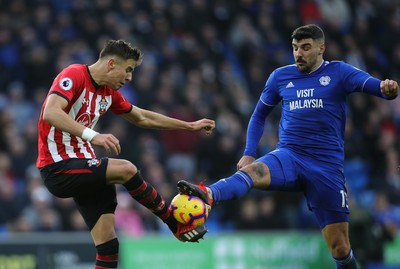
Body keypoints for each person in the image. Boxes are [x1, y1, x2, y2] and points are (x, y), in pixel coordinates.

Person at [177, 24, 399, 269]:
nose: (298, 54)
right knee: (251, 172)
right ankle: (209, 194)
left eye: (305, 48)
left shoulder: (339, 72)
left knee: (340, 247)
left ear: (321, 48)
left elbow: (373, 85)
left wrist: (386, 89)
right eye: (295, 48)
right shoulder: (280, 76)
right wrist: (250, 152)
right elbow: (259, 115)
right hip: (289, 156)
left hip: (326, 168)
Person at [36, 40, 215, 269]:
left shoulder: (108, 93)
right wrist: (94, 136)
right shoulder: (75, 74)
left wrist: (189, 126)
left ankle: (173, 226)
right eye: (128, 70)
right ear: (111, 64)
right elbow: (51, 112)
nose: (129, 78)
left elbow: (142, 117)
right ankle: (174, 223)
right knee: (127, 169)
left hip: (83, 166)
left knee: (109, 248)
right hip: (57, 167)